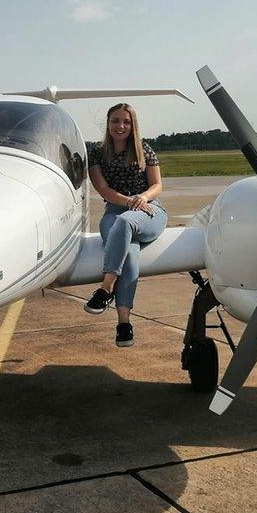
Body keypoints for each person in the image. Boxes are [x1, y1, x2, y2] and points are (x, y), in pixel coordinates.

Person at [83, 103, 168, 347]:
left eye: (126, 122)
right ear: (108, 124)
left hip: (149, 211)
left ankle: (105, 288)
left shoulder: (144, 149)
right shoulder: (97, 153)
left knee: (125, 223)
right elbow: (103, 189)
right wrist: (128, 201)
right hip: (116, 210)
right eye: (115, 121)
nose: (120, 126)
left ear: (133, 126)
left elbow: (157, 185)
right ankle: (124, 323)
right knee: (129, 250)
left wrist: (143, 198)